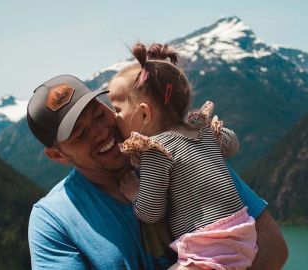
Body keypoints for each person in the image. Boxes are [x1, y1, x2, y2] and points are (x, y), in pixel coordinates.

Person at [27, 74, 287, 269]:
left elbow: (273, 243)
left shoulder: (178, 148)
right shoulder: (53, 220)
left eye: (99, 114)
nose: (100, 132)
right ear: (57, 155)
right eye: (80, 134)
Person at [108, 42, 260, 270]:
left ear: (143, 113)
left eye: (117, 109)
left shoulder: (156, 150)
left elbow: (151, 212)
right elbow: (232, 146)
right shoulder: (202, 130)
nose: (113, 117)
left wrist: (135, 194)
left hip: (208, 246)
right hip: (243, 233)